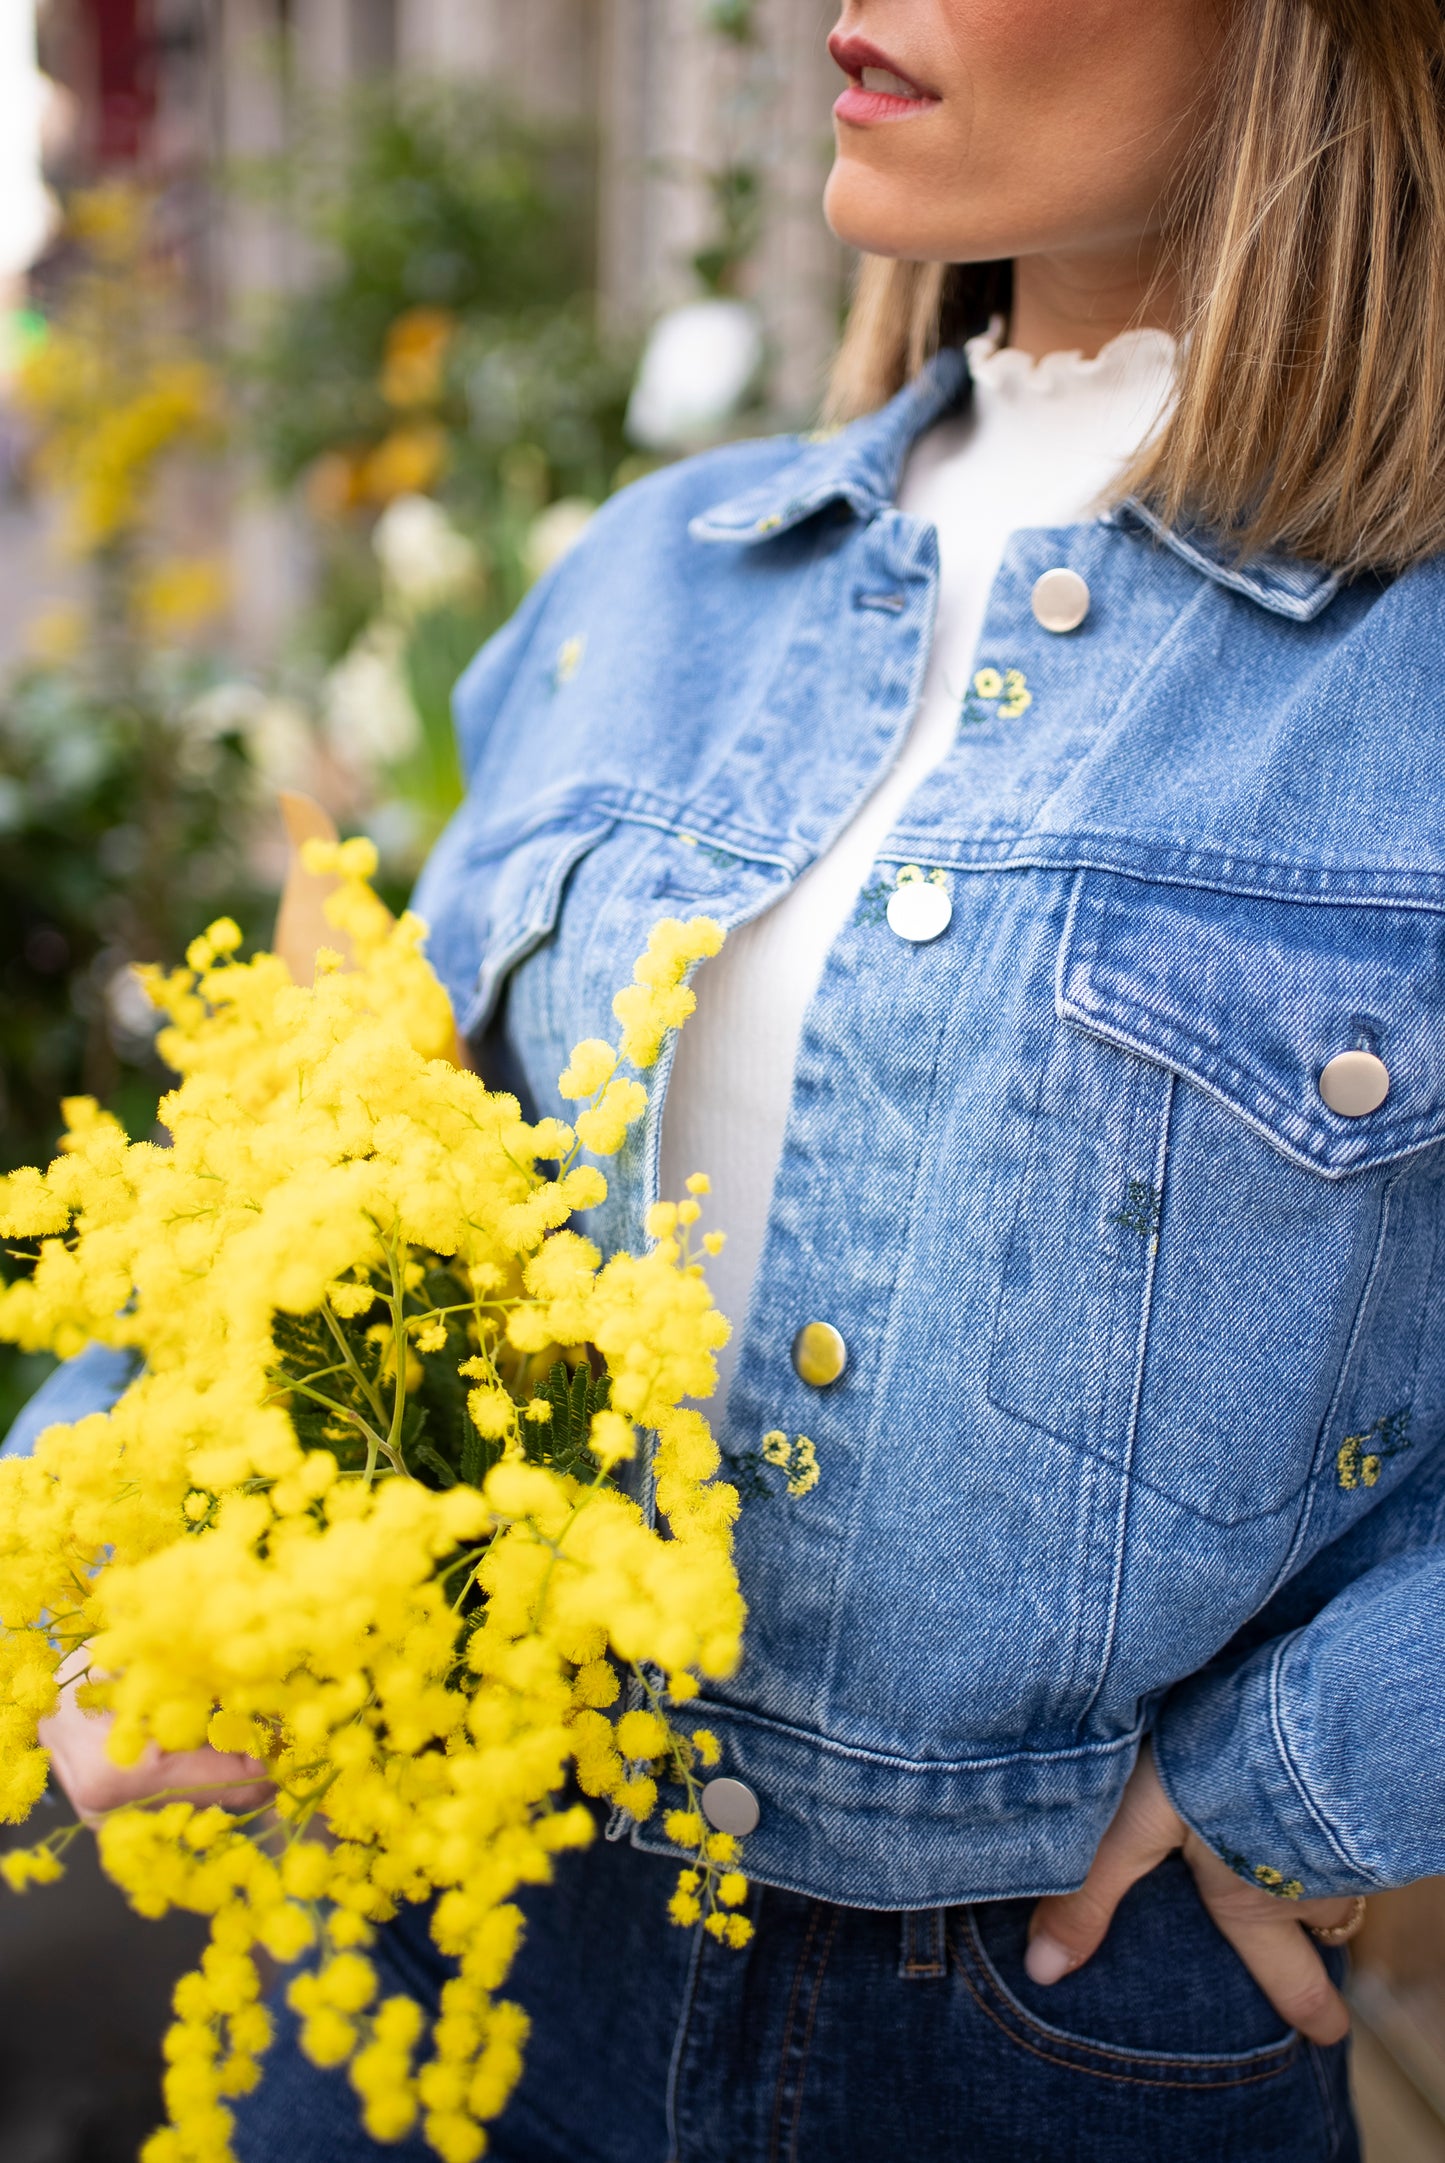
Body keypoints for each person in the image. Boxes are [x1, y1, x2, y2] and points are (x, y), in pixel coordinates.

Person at [17, 0, 1445, 2155]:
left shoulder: (1403, 683)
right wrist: (118, 1531)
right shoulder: (650, 583)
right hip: (451, 1931)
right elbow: (337, 1154)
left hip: (1047, 2034)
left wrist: (1328, 1767)